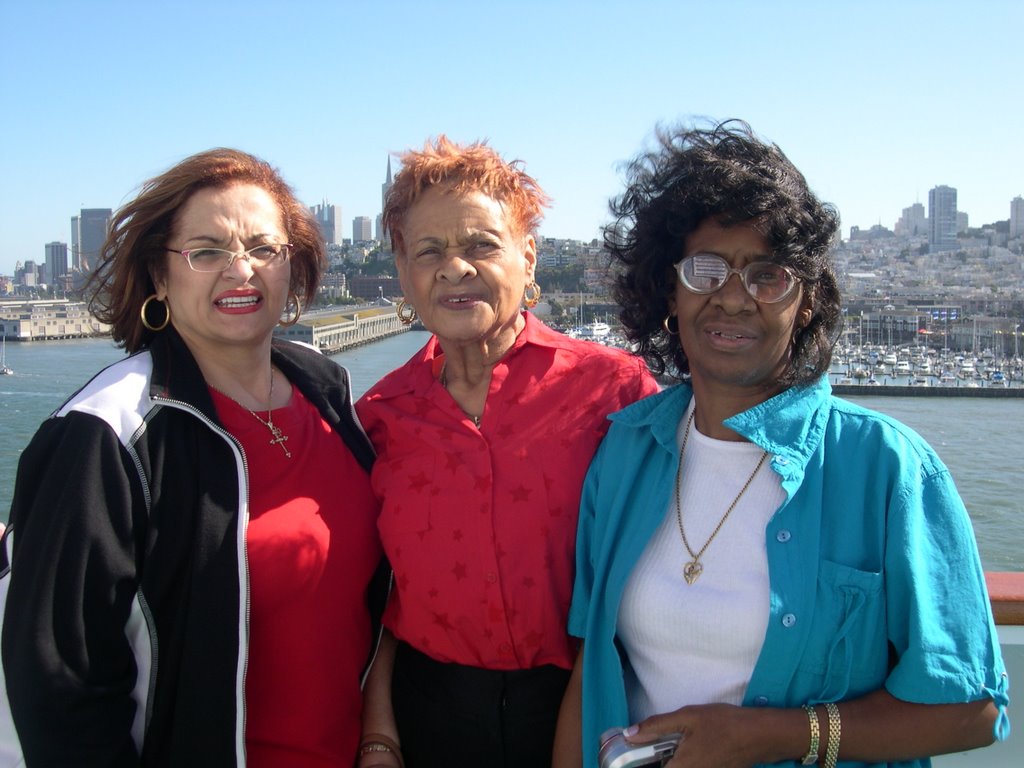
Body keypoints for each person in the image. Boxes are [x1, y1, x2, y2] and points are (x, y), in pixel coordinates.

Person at [553, 121, 1009, 768]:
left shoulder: (887, 467)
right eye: (706, 269)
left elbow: (974, 709)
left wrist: (772, 737)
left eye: (768, 276)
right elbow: (590, 671)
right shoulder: (626, 450)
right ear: (668, 293)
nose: (734, 298)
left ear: (805, 303)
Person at [0, 148, 387, 766]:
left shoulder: (329, 394)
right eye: (206, 251)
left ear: (295, 267)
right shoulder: (104, 434)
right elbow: (58, 685)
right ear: (160, 274)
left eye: (264, 249)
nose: (242, 271)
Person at [354, 136, 660, 768]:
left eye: (481, 245)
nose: (454, 269)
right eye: (429, 251)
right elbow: (376, 596)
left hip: (589, 709)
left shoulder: (617, 390)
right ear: (402, 267)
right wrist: (379, 737)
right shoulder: (380, 417)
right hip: (428, 714)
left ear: (528, 254)